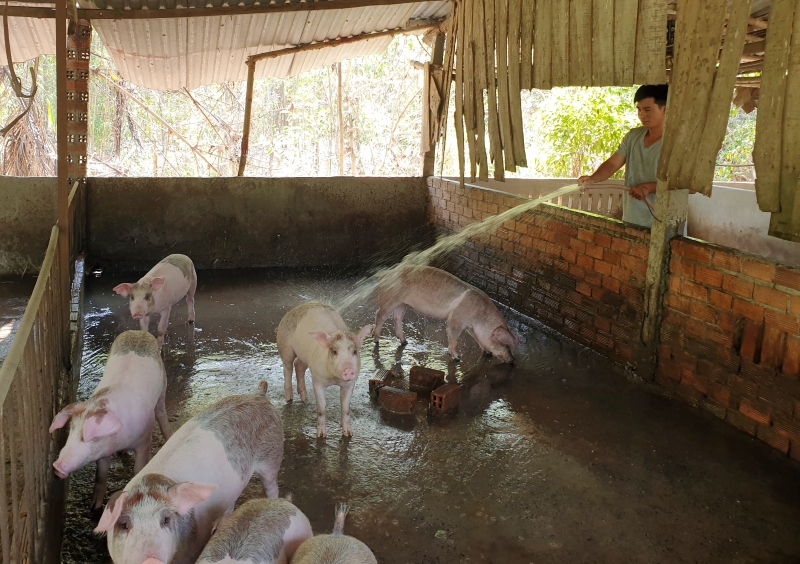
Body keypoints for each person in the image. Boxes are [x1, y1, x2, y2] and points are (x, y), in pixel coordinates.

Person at [578, 84, 669, 228]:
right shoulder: (633, 137)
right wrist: (593, 178)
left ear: (664, 109)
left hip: (665, 225)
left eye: (647, 110)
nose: (641, 115)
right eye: (639, 110)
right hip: (632, 220)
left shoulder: (676, 143)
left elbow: (689, 187)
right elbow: (612, 164)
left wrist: (650, 187)